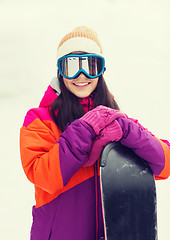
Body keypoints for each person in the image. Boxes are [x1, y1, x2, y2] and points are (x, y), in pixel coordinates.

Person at [20, 26, 170, 240]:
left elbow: (165, 163)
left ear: (101, 70)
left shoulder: (114, 119)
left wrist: (128, 131)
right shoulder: (39, 119)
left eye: (91, 65)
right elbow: (44, 176)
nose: (82, 75)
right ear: (60, 71)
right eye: (71, 66)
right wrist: (85, 128)